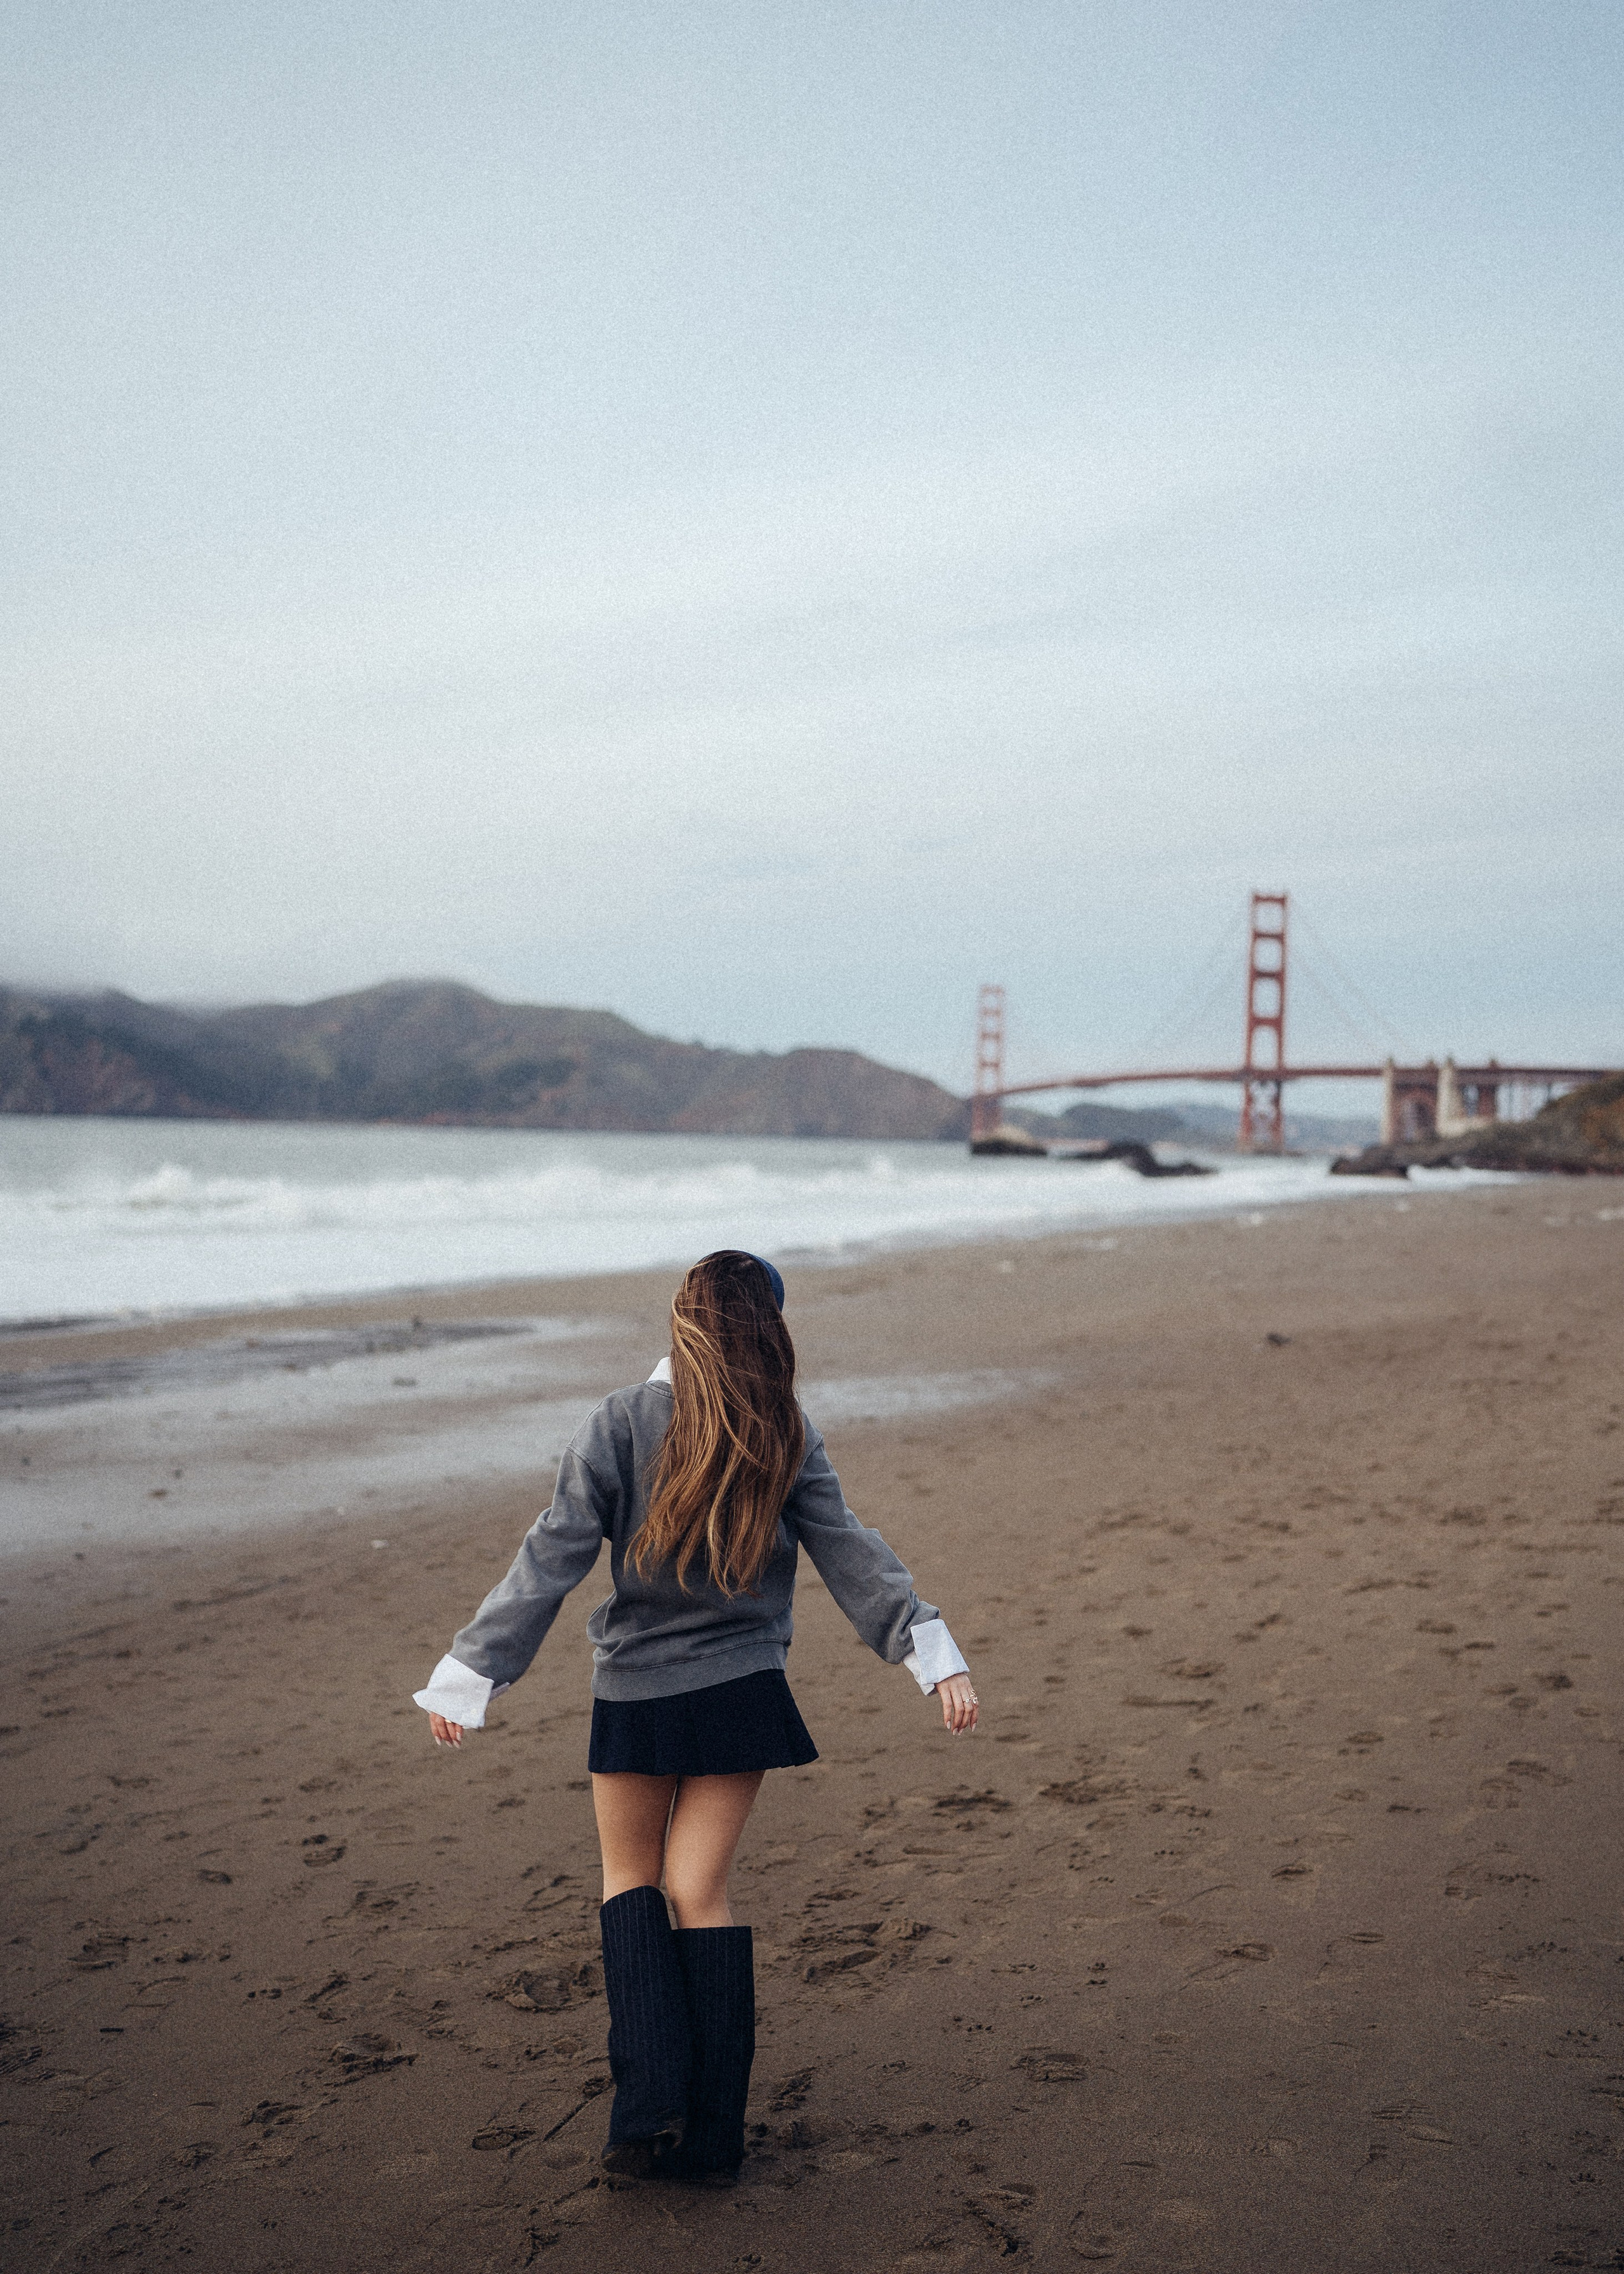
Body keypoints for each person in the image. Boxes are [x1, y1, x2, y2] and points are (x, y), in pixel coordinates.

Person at [412, 1249, 980, 2186]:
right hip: (741, 1692)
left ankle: (647, 2117)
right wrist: (930, 1651)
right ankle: (713, 2139)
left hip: (637, 1693)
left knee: (631, 1884)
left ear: (682, 1318)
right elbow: (850, 1551)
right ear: (770, 1328)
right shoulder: (783, 1428)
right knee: (699, 1893)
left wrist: (471, 1674)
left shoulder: (619, 1422)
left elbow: (550, 1557)